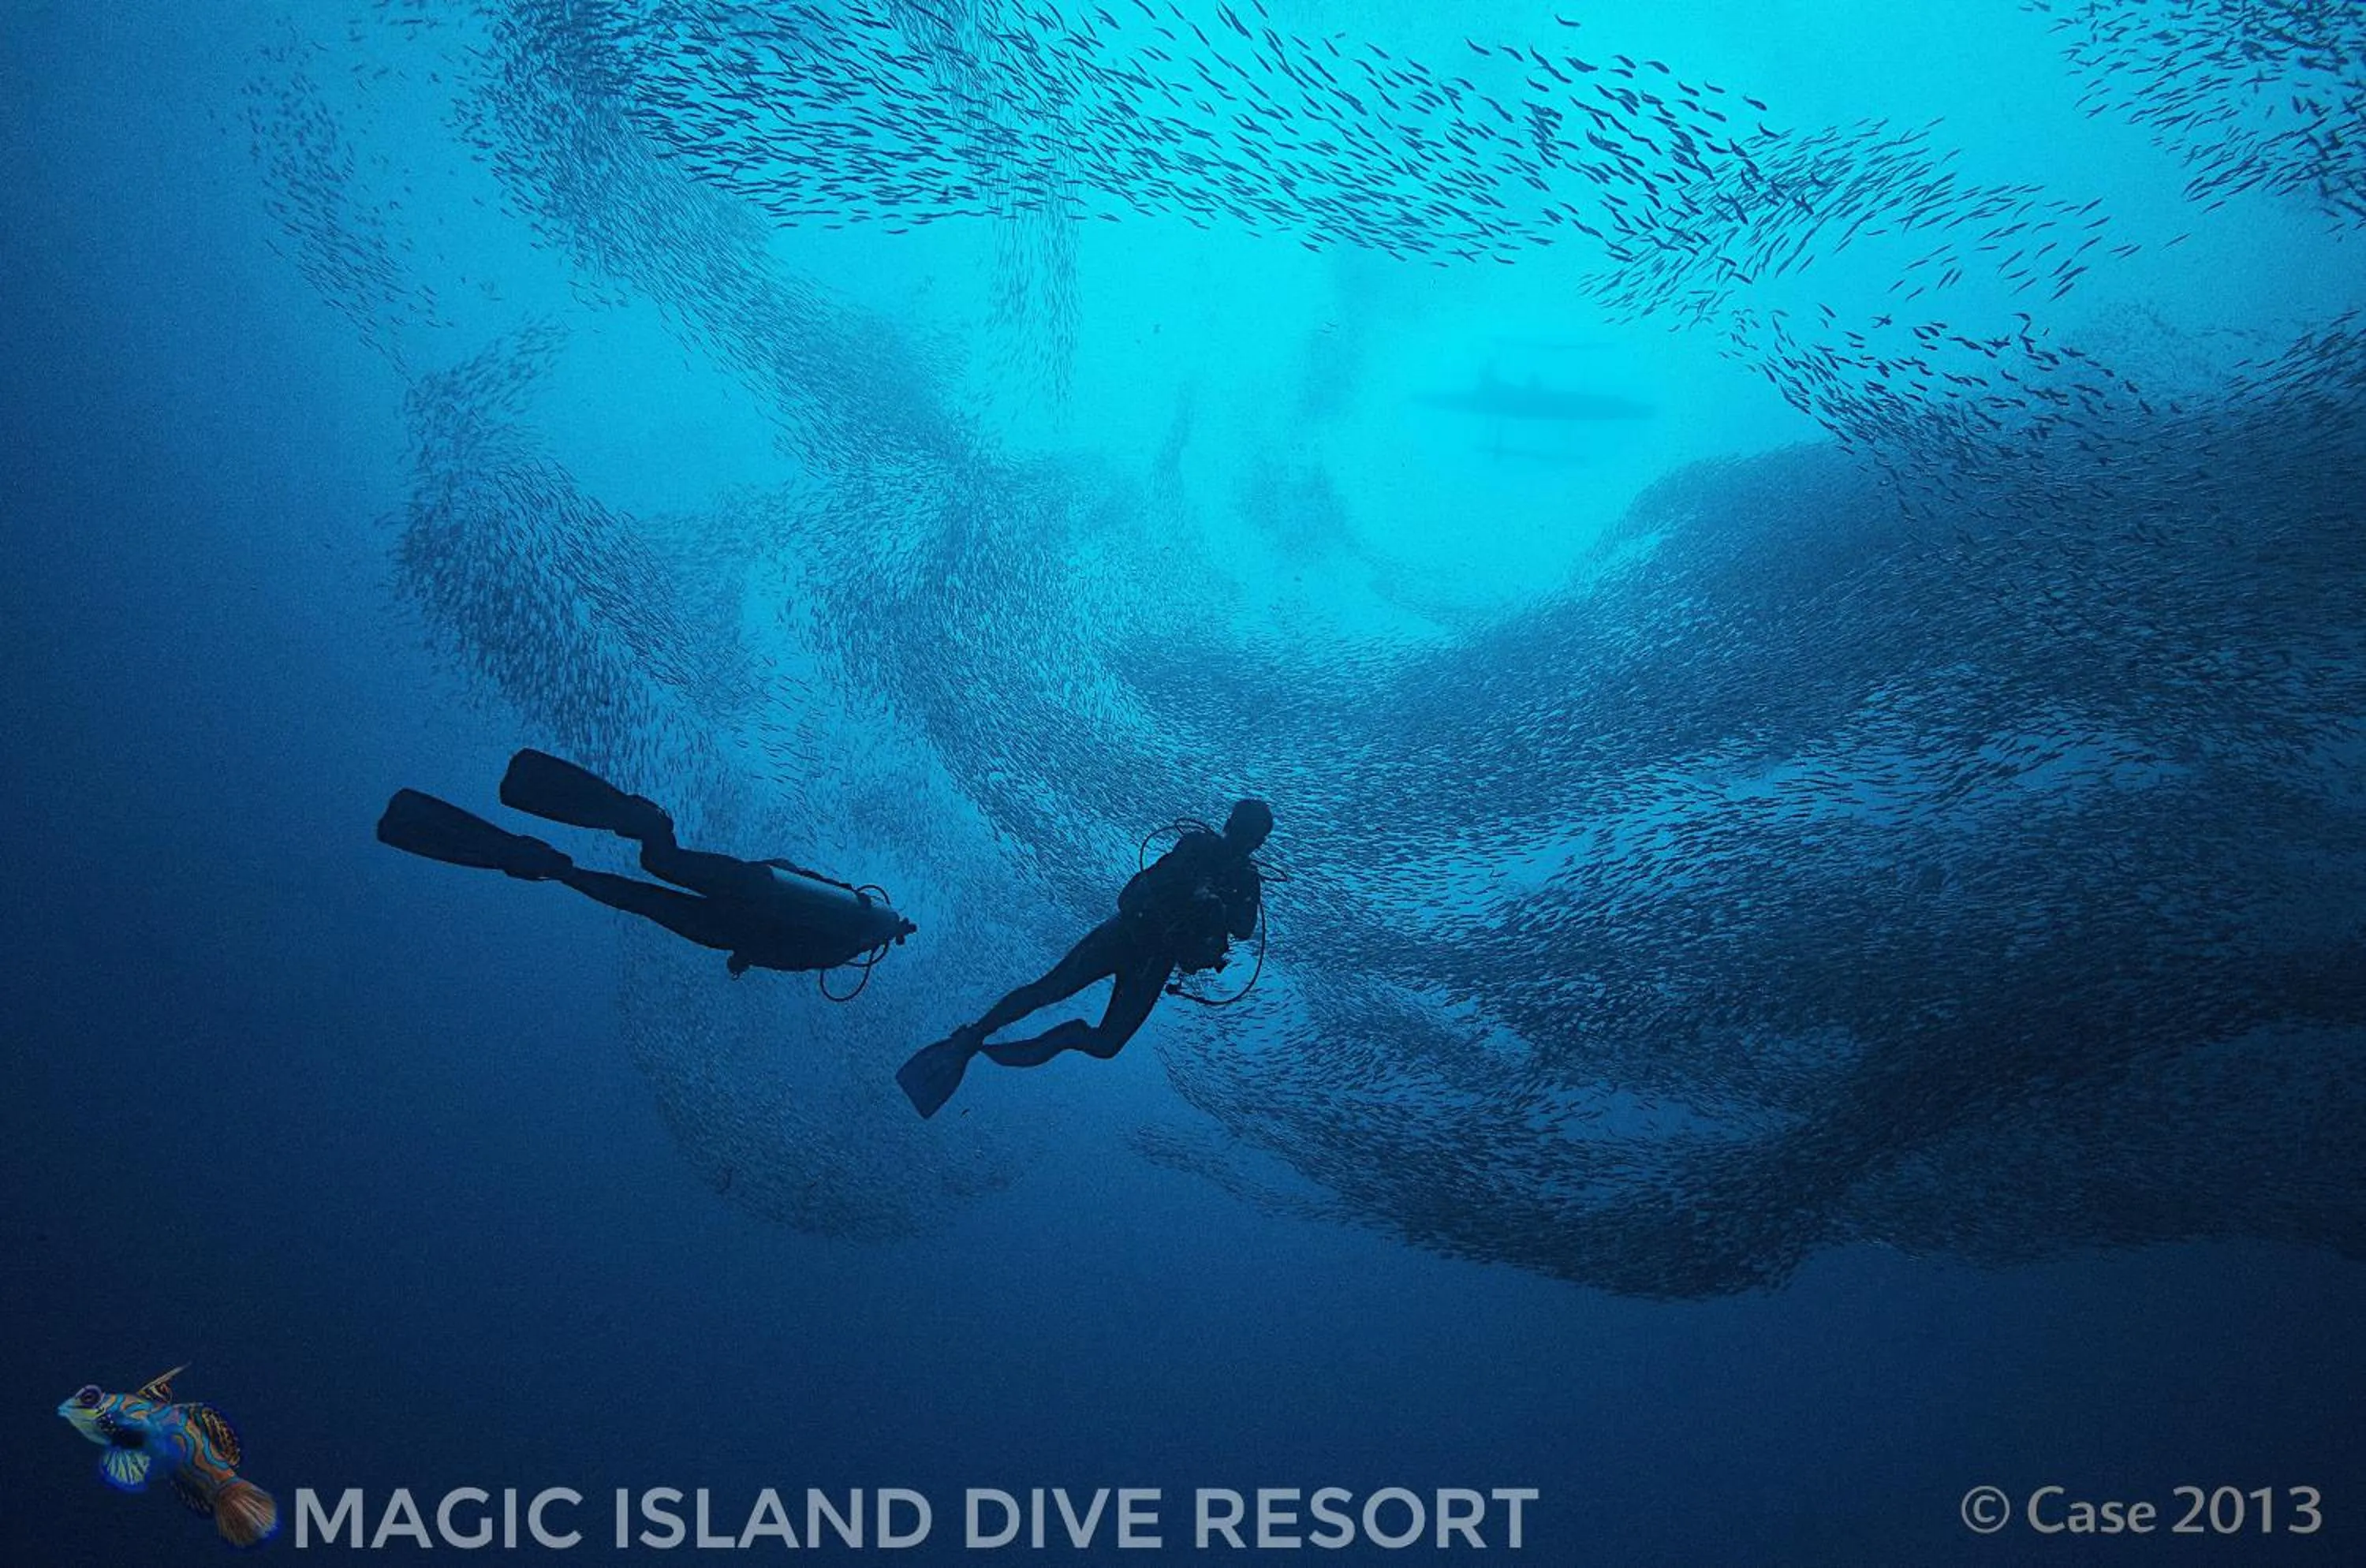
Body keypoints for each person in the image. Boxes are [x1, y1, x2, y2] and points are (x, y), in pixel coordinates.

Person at [375, 749, 916, 976]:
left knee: (661, 858)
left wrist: (758, 888)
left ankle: (639, 819)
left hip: (749, 885)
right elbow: (779, 955)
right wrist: (743, 957)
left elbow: (787, 872)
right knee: (636, 897)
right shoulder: (839, 950)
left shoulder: (851, 905)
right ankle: (541, 861)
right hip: (724, 926)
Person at [898, 799, 1272, 1118]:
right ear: (1229, 823)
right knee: (1048, 990)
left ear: (1258, 842)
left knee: (1106, 1044)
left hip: (1156, 961)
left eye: (1252, 836)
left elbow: (1243, 928)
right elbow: (1159, 879)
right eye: (1242, 829)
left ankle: (1068, 1036)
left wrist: (1219, 905)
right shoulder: (1197, 845)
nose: (1244, 839)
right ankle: (972, 1036)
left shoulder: (1247, 880)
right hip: (1123, 935)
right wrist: (1196, 890)